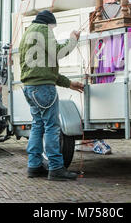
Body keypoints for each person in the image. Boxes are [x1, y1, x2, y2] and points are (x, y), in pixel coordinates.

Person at [19, 10, 84, 181]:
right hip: (43, 88)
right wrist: (73, 40)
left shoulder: (27, 32)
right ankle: (55, 168)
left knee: (37, 125)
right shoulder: (43, 29)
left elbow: (44, 69)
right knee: (52, 127)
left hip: (29, 87)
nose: (53, 32)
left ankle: (34, 166)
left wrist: (69, 84)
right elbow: (59, 53)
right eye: (53, 28)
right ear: (49, 23)